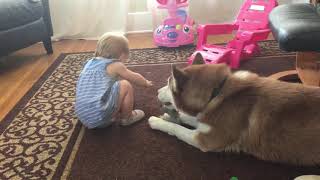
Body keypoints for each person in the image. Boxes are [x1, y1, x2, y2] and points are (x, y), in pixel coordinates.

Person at [75, 32, 153, 129]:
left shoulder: (89, 63)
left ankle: (108, 109)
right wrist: (145, 82)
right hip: (101, 118)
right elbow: (134, 77)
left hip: (83, 115)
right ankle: (128, 117)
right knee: (125, 85)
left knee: (115, 85)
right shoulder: (116, 65)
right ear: (122, 55)